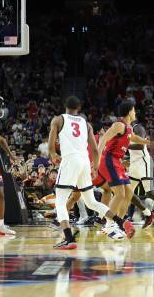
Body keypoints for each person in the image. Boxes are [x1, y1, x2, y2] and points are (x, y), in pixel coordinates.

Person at [49, 96, 135, 250]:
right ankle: (121, 222)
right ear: (79, 108)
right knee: (91, 202)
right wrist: (95, 167)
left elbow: (52, 139)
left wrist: (52, 153)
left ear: (65, 106)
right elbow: (95, 149)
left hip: (70, 160)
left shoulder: (58, 119)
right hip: (84, 163)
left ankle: (69, 238)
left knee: (60, 202)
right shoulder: (86, 123)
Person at [97, 101, 151, 223]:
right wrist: (97, 159)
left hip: (117, 162)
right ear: (129, 112)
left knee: (129, 193)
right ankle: (108, 223)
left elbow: (133, 137)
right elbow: (103, 139)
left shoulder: (129, 128)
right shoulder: (119, 125)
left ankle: (119, 222)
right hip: (109, 159)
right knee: (120, 194)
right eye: (134, 110)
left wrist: (146, 142)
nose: (135, 112)